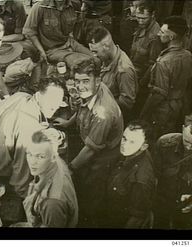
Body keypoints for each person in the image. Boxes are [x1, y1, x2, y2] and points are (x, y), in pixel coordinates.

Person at [53, 58, 124, 227]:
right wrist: (68, 122)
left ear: (98, 81)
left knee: (92, 191)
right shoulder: (94, 90)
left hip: (103, 156)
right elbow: (83, 108)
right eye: (77, 81)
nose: (80, 86)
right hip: (90, 139)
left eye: (85, 81)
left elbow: (91, 150)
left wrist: (69, 169)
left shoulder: (103, 112)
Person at [140, 16, 192, 140]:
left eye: (162, 32)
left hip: (162, 111)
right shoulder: (188, 56)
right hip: (179, 107)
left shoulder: (164, 62)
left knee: (156, 138)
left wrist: (144, 113)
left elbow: (159, 94)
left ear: (171, 37)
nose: (158, 34)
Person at [18, 129, 78, 227]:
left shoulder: (51, 203)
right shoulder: (55, 163)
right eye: (29, 154)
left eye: (40, 157)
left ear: (53, 157)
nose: (32, 162)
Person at [105, 120, 156, 229]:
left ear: (144, 146)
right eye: (124, 138)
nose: (124, 144)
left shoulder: (141, 180)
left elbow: (137, 217)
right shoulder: (132, 152)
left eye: (132, 142)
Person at [22, 0, 93, 71]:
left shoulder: (75, 4)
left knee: (95, 58)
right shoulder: (40, 7)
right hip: (51, 50)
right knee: (83, 62)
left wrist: (76, 41)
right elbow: (29, 32)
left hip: (69, 42)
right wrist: (41, 51)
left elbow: (78, 23)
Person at [88, 26, 138, 123]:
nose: (94, 55)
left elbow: (127, 103)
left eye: (95, 51)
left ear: (106, 46)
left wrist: (99, 103)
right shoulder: (106, 58)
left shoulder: (124, 69)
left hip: (111, 117)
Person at [153, 114, 192, 229]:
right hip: (162, 200)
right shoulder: (164, 144)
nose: (189, 147)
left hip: (186, 205)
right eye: (187, 142)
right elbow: (153, 174)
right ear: (182, 128)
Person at [130, 1, 163, 116]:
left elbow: (153, 64)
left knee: (135, 109)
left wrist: (141, 83)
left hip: (142, 80)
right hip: (134, 73)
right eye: (138, 18)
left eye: (143, 18)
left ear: (153, 14)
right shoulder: (141, 27)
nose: (140, 21)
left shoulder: (155, 36)